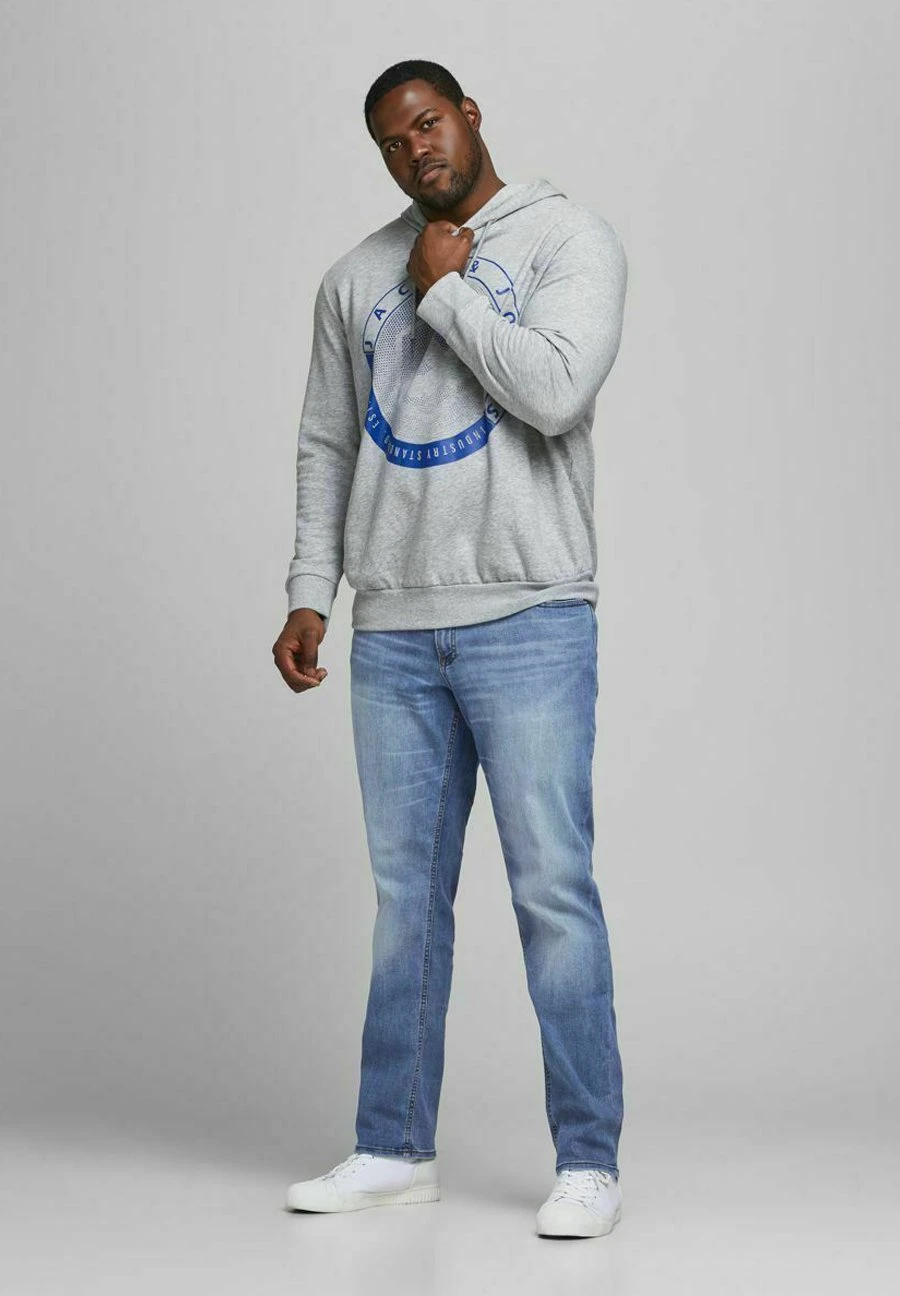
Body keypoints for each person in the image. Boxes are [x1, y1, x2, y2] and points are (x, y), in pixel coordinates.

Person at [272, 58, 628, 1240]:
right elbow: (328, 443)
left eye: (428, 123)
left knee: (552, 893)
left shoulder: (569, 240)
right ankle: (392, 1146)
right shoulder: (351, 279)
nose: (415, 148)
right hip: (393, 630)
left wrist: (451, 292)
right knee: (406, 907)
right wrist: (311, 591)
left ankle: (588, 1160)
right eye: (391, 139)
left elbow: (556, 392)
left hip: (530, 612)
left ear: (469, 117)